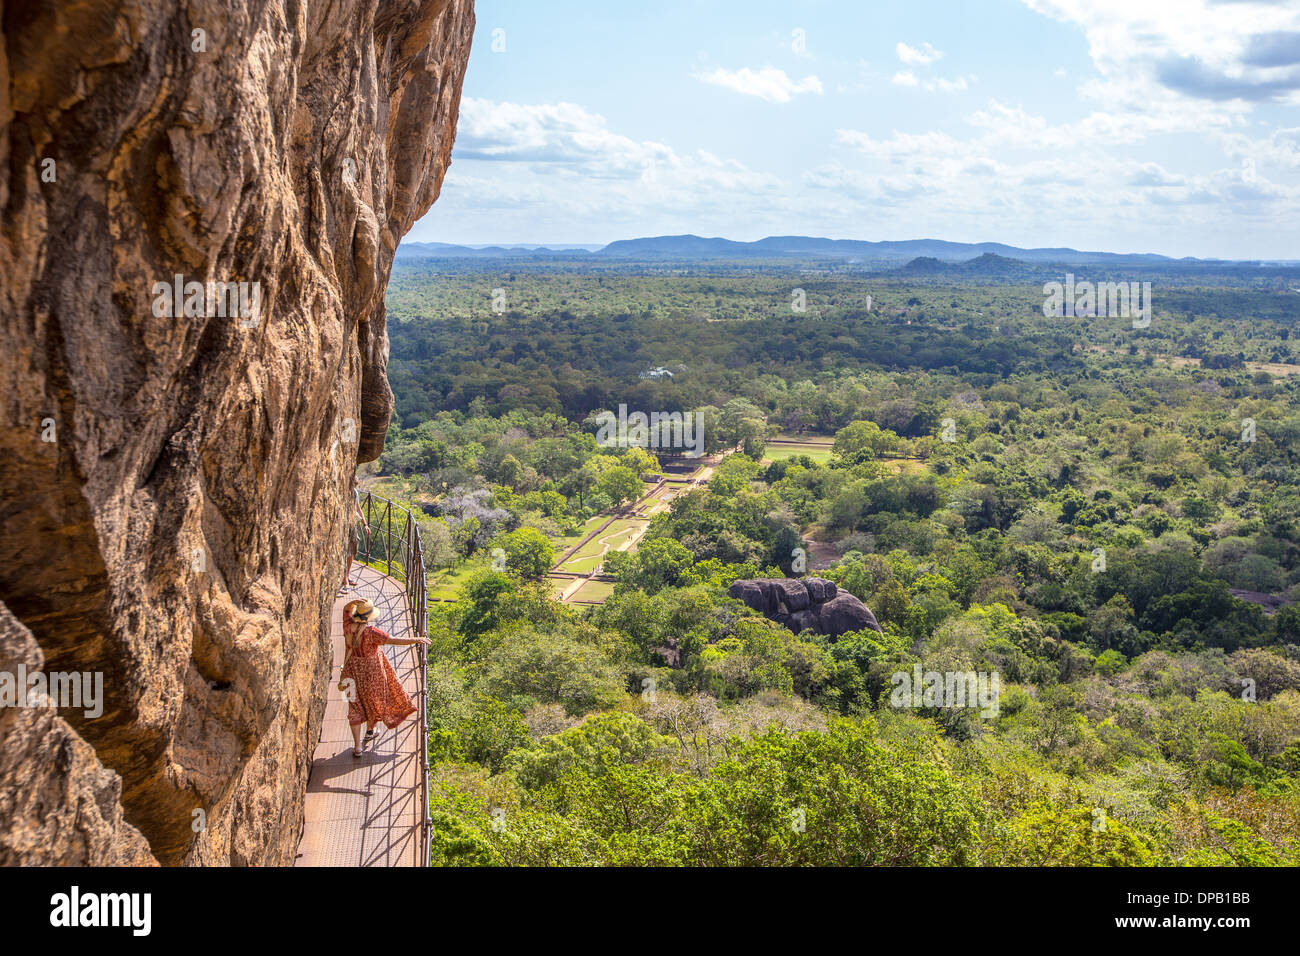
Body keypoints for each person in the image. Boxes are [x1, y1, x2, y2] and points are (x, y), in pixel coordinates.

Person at [337, 598, 429, 756]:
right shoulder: (371, 632)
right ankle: (370, 731)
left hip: (351, 671)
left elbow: (346, 610)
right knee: (373, 699)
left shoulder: (347, 625)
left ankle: (358, 746)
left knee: (354, 704)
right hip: (371, 672)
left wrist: (353, 602)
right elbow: (393, 640)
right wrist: (416, 640)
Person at [341, 491, 367, 594]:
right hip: (346, 523)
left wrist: (365, 524)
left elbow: (358, 509)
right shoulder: (348, 490)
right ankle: (345, 579)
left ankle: (347, 575)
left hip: (352, 524)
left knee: (352, 550)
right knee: (345, 551)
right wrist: (362, 521)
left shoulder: (354, 492)